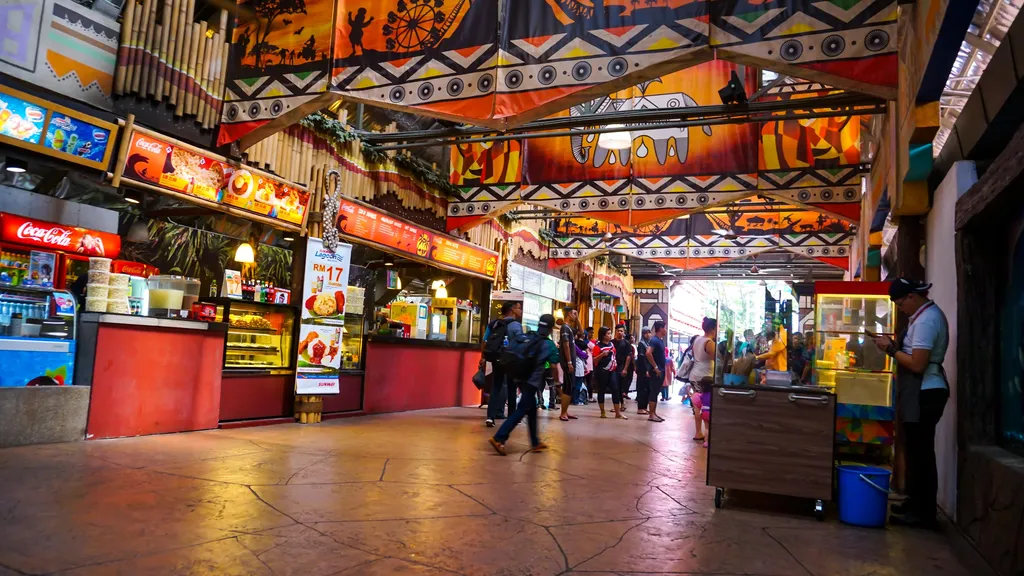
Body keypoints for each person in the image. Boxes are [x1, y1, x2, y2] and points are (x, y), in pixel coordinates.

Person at [870, 278, 949, 529]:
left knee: (922, 454)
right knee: (915, 452)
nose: (900, 307)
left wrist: (891, 350)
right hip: (920, 391)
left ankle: (924, 513)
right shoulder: (922, 317)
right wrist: (892, 346)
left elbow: (917, 364)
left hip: (926, 392)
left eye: (901, 302)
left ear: (913, 297)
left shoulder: (926, 321)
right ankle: (916, 503)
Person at [489, 314, 560, 455]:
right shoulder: (549, 344)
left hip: (519, 377)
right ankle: (499, 438)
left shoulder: (528, 337)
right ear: (551, 329)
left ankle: (535, 442)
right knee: (522, 409)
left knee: (531, 409)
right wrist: (557, 383)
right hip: (532, 382)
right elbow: (553, 365)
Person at [482, 301, 523, 427]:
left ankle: (490, 417)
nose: (520, 311)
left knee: (496, 387)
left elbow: (484, 341)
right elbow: (520, 344)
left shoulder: (494, 324)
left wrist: (483, 357)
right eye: (518, 308)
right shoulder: (516, 325)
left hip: (496, 358)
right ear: (512, 309)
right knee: (511, 389)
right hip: (510, 360)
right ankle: (511, 418)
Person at [688, 318, 717, 440]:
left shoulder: (697, 339)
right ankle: (706, 434)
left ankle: (698, 432)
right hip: (705, 377)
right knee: (706, 405)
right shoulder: (709, 343)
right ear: (713, 328)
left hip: (694, 375)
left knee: (697, 405)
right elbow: (717, 359)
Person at [593, 326, 626, 419]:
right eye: (608, 333)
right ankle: (602, 412)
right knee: (601, 390)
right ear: (603, 335)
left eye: (610, 333)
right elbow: (594, 360)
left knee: (615, 389)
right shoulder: (598, 346)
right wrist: (602, 354)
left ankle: (617, 413)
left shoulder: (611, 344)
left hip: (612, 370)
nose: (610, 335)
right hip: (602, 370)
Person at [558, 306, 579, 422]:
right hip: (568, 362)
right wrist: (569, 362)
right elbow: (566, 345)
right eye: (573, 314)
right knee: (568, 386)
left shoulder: (569, 328)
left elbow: (581, 332)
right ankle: (563, 413)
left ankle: (565, 410)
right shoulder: (565, 328)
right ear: (569, 314)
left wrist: (578, 319)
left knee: (570, 386)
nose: (575, 316)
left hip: (571, 361)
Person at [644, 321, 669, 422]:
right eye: (665, 328)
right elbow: (648, 353)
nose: (666, 330)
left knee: (656, 392)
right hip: (656, 371)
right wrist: (655, 367)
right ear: (661, 328)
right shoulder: (654, 340)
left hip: (660, 370)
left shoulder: (659, 340)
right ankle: (651, 415)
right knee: (654, 392)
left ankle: (653, 413)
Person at [613, 324, 634, 413]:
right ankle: (617, 405)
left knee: (619, 387)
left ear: (624, 332)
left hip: (621, 367)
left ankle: (622, 404)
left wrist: (625, 369)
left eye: (621, 331)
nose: (619, 332)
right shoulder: (612, 342)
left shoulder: (626, 343)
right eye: (618, 331)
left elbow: (628, 357)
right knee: (614, 387)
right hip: (612, 367)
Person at [635, 328, 652, 415]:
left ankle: (644, 407)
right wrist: (646, 369)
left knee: (647, 389)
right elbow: (642, 358)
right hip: (643, 370)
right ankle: (640, 408)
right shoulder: (641, 344)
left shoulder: (648, 344)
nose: (648, 335)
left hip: (647, 369)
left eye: (649, 332)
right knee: (642, 389)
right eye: (646, 333)